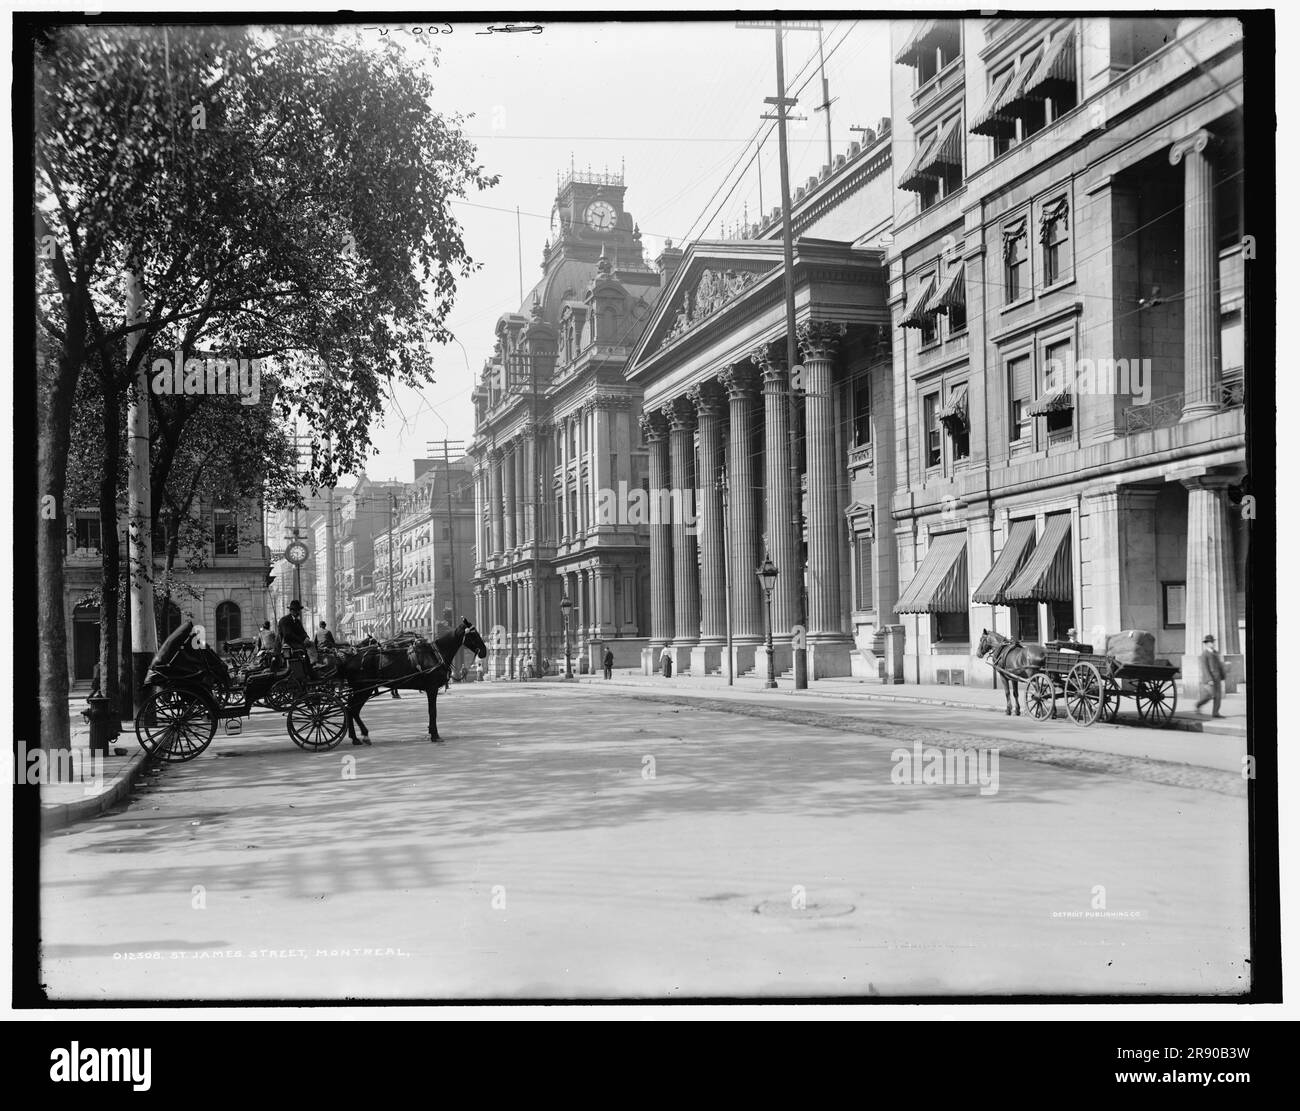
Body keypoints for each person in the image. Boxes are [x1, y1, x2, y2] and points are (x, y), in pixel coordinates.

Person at [1195, 634, 1227, 717]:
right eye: (1210, 642)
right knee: (1209, 695)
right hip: (1209, 679)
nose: (1212, 643)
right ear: (1206, 644)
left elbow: (1219, 665)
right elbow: (1205, 668)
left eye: (1212, 642)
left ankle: (1215, 713)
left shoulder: (1216, 653)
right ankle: (1198, 705)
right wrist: (1209, 679)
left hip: (1217, 677)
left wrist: (1222, 675)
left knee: (1218, 696)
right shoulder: (1204, 654)